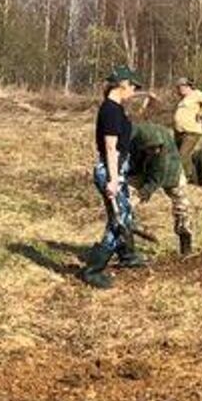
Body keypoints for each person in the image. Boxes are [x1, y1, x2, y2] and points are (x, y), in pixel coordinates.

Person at [79, 66, 143, 289]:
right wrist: (114, 180)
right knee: (119, 218)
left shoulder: (116, 108)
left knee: (125, 213)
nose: (134, 91)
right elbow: (110, 147)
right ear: (122, 84)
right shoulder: (111, 110)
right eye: (133, 86)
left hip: (117, 169)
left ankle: (127, 256)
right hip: (110, 170)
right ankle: (92, 270)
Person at [128, 121, 194, 257]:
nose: (156, 151)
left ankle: (185, 239)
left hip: (170, 169)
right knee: (125, 198)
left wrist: (145, 192)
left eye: (158, 148)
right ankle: (130, 229)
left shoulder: (164, 153)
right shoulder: (132, 138)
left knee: (181, 203)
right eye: (152, 148)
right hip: (138, 167)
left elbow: (157, 176)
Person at [171, 77, 202, 189]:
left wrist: (201, 113)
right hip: (180, 132)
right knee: (185, 158)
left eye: (181, 87)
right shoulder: (183, 99)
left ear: (187, 86)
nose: (179, 89)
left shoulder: (196, 94)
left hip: (191, 131)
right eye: (178, 87)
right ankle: (194, 181)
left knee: (181, 156)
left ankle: (182, 179)